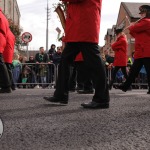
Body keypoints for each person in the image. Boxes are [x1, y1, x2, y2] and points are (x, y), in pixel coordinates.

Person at [44, 0, 110, 109]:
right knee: (64, 61)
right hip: (78, 25)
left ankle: (102, 99)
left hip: (84, 24)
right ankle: (61, 94)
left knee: (94, 63)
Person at [118, 5, 150, 94]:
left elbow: (135, 28)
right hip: (140, 52)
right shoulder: (142, 24)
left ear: (147, 13)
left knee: (148, 71)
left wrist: (132, 26)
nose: (141, 15)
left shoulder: (147, 22)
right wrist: (131, 28)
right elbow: (135, 34)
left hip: (147, 51)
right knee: (133, 71)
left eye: (142, 13)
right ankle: (125, 86)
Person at [0, 8, 11, 93]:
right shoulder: (3, 16)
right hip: (2, 38)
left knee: (0, 63)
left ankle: (6, 86)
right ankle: (6, 86)